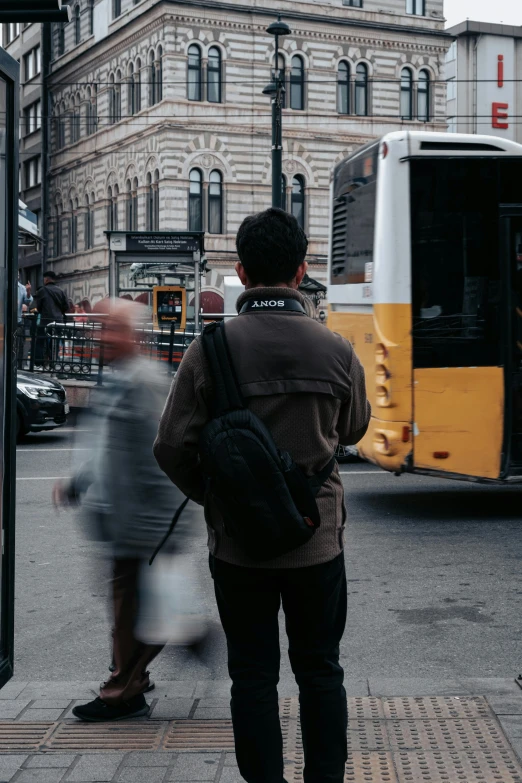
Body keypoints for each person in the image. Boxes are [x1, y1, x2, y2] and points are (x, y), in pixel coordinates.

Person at [154, 208, 371, 783]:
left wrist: (216, 497)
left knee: (252, 677)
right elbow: (352, 431)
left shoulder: (210, 349)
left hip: (238, 548)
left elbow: (170, 446)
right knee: (321, 670)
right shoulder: (337, 350)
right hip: (317, 542)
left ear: (242, 273)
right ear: (301, 272)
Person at [52, 299, 191, 722]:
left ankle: (122, 693)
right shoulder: (117, 378)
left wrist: (160, 528)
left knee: (134, 611)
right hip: (123, 522)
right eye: (102, 328)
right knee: (130, 607)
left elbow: (165, 456)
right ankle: (137, 672)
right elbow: (106, 448)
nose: (103, 337)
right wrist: (79, 484)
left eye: (113, 329)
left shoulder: (146, 380)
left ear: (134, 336)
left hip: (144, 525)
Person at [32, 270, 69, 364]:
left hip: (45, 321)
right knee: (55, 341)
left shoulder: (42, 291)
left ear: (46, 279)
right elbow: (66, 307)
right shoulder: (61, 291)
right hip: (58, 321)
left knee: (40, 341)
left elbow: (39, 307)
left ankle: (39, 362)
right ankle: (54, 360)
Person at [16, 274, 33, 369]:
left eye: (18, 274)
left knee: (18, 345)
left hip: (17, 322)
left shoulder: (22, 288)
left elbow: (28, 302)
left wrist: (28, 292)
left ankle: (18, 367)